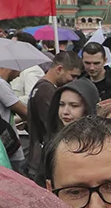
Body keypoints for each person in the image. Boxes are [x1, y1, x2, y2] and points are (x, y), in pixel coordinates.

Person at [25, 51, 83, 182]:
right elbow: (54, 127)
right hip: (42, 160)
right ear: (60, 69)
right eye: (72, 76)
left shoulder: (41, 87)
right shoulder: (46, 90)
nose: (73, 81)